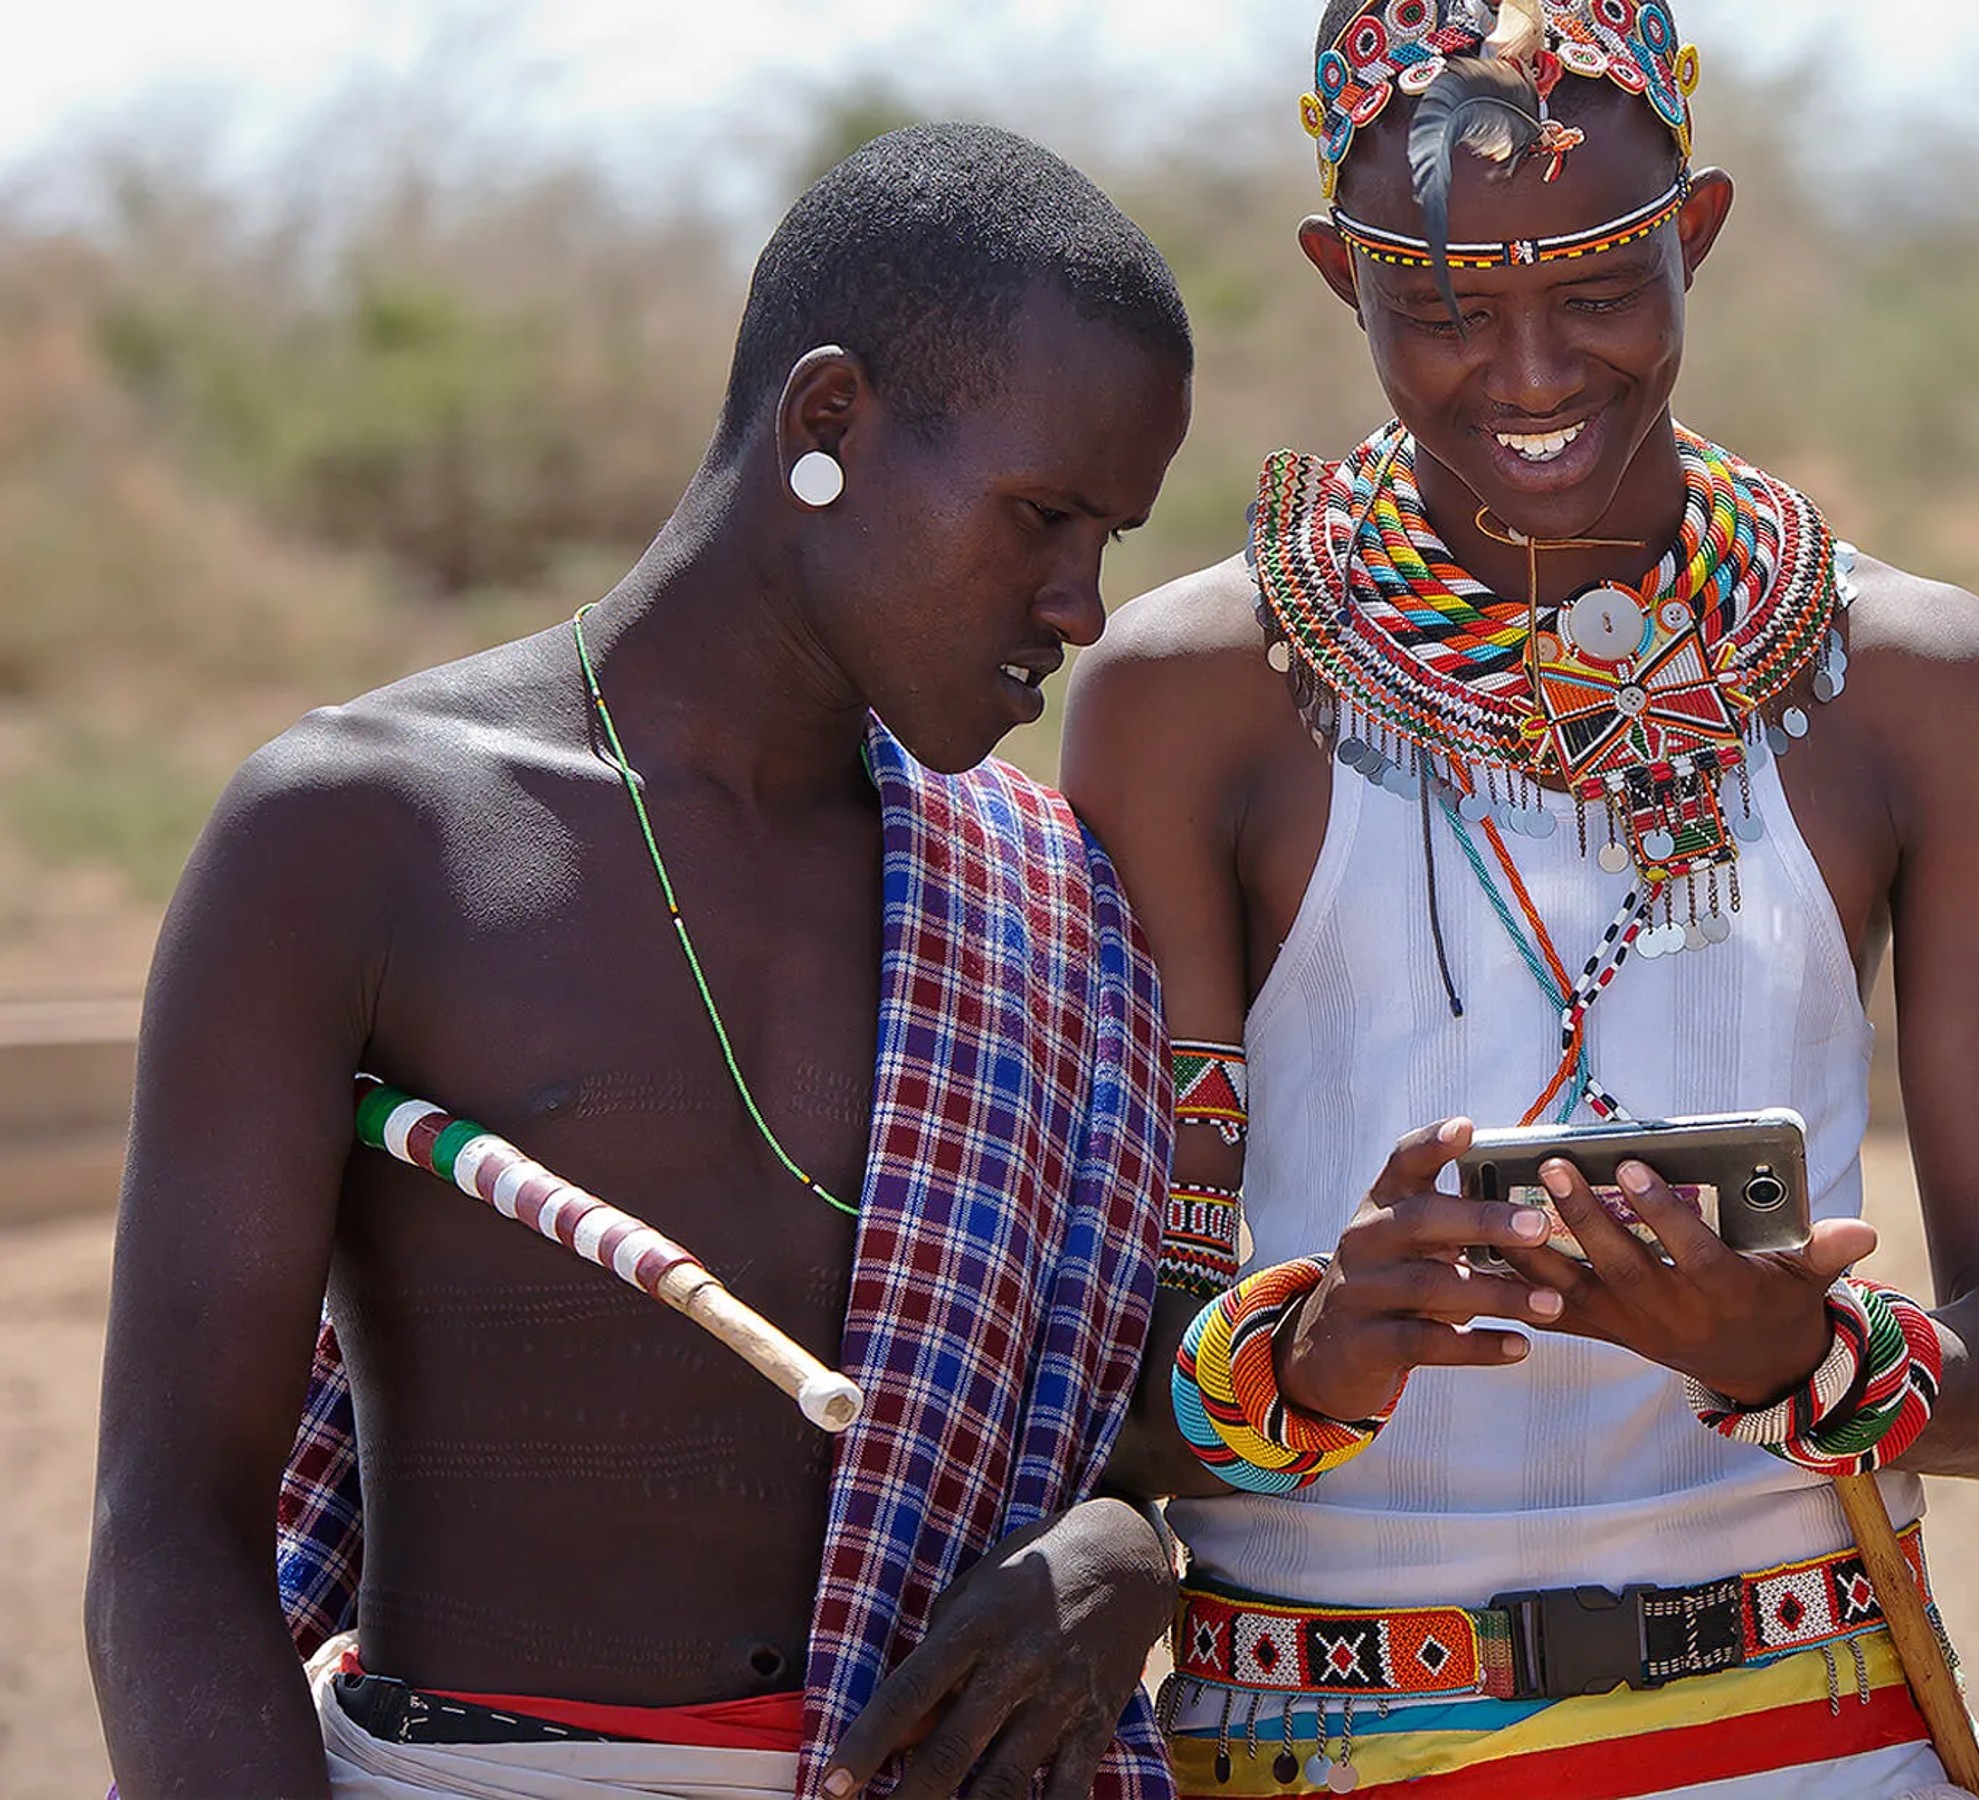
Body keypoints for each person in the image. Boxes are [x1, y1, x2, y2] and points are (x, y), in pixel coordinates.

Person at [87, 123, 1196, 1800]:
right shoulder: (362, 837)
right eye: (1043, 515)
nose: (1083, 604)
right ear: (826, 425)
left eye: (1110, 535)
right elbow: (170, 1530)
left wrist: (1123, 1551)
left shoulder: (1048, 898)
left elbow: (1111, 1391)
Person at [1060, 2, 1979, 1793]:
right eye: (1445, 310)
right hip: (1317, 1729)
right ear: (1337, 277)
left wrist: (1802, 1358)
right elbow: (1112, 1391)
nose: (1526, 374)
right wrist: (1297, 1363)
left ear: (1696, 235)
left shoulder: (1925, 694)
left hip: (1809, 1719)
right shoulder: (1190, 701)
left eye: (1602, 289)